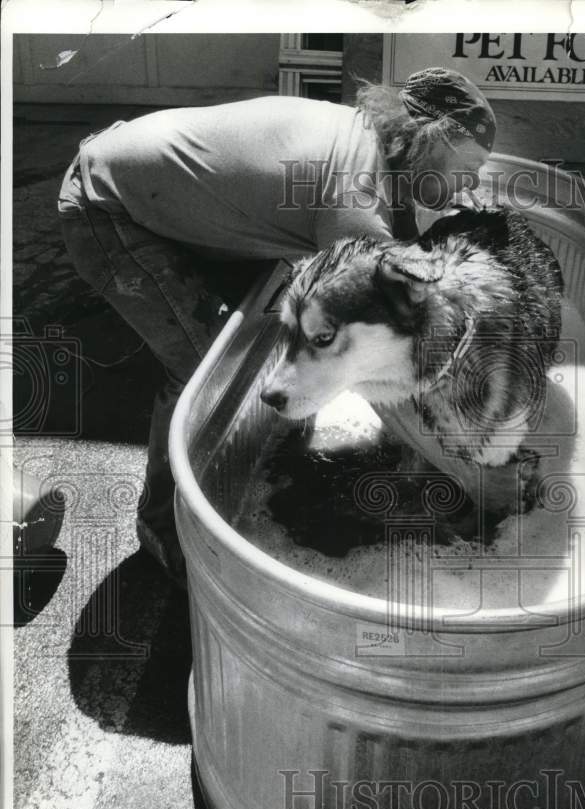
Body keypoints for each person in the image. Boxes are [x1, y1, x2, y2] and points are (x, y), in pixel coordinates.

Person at [57, 66, 496, 586]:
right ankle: (161, 527)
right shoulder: (354, 198)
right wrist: (469, 479)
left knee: (260, 339)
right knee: (205, 376)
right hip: (106, 206)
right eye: (467, 168)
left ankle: (266, 440)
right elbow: (386, 368)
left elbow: (396, 256)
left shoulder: (375, 142)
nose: (471, 184)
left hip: (146, 175)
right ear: (430, 140)